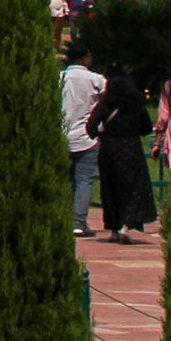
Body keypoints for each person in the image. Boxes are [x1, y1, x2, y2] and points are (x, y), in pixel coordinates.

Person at [94, 67, 157, 241]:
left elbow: (91, 126)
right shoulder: (136, 105)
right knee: (132, 188)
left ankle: (113, 228)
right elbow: (146, 127)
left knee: (110, 188)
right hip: (131, 149)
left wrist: (101, 133)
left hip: (109, 150)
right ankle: (126, 225)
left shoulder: (106, 104)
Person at [59, 39, 108, 235]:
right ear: (86, 58)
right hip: (86, 136)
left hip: (62, 134)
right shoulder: (96, 80)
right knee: (84, 180)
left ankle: (62, 218)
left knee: (64, 180)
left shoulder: (59, 77)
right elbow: (105, 101)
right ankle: (79, 221)